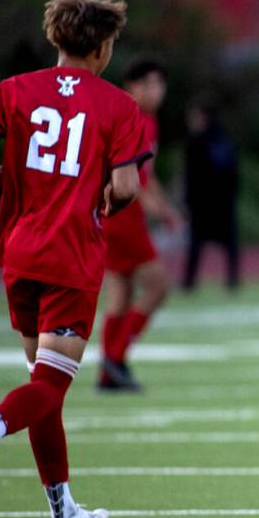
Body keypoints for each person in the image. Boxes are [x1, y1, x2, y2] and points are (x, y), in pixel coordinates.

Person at [0, 0, 148, 518]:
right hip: (71, 255)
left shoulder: (15, 90)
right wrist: (114, 193)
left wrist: (1, 178)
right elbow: (127, 186)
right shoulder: (118, 106)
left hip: (19, 253)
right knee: (50, 387)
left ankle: (64, 512)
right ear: (102, 47)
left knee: (44, 384)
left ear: (55, 37)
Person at [97, 59, 182, 392]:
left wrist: (164, 209)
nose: (157, 92)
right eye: (149, 84)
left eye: (160, 85)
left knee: (120, 293)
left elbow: (147, 175)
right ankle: (114, 358)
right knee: (158, 287)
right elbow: (132, 181)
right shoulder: (131, 118)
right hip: (123, 216)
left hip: (115, 216)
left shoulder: (147, 119)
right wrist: (158, 209)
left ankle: (108, 375)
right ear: (132, 86)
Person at [182, 97, 240, 291]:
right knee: (230, 244)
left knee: (196, 244)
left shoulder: (196, 142)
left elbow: (190, 176)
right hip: (224, 203)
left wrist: (188, 201)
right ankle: (232, 280)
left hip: (202, 203)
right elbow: (235, 174)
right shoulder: (225, 139)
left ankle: (189, 282)